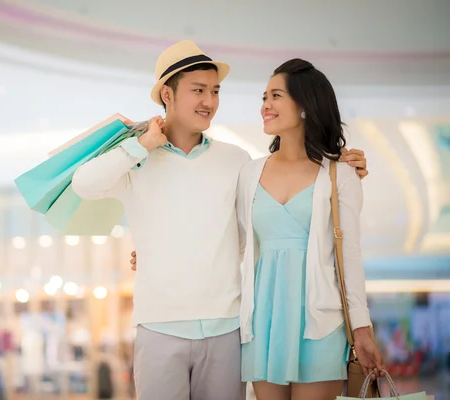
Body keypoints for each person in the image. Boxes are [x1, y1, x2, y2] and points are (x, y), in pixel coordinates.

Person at [73, 41, 368, 400]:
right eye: (198, 90)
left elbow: (247, 232)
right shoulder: (137, 159)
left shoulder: (237, 161)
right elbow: (84, 184)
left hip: (228, 331)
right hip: (159, 327)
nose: (209, 101)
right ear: (167, 93)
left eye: (215, 91)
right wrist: (141, 146)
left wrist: (340, 165)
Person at [235, 59, 384, 400]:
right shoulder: (248, 174)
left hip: (319, 323)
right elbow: (233, 243)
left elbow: (350, 256)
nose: (265, 106)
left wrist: (361, 327)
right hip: (262, 323)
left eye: (275, 96)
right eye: (264, 97)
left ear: (304, 105)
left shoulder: (340, 175)